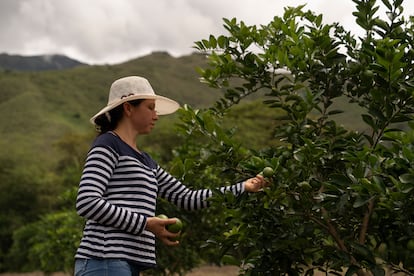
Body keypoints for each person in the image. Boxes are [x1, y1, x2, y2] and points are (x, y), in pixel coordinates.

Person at [74, 76, 267, 276]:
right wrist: (146, 224)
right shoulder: (108, 144)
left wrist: (243, 187)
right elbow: (87, 201)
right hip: (104, 259)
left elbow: (187, 198)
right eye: (150, 108)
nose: (156, 115)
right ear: (128, 108)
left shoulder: (146, 161)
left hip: (126, 263)